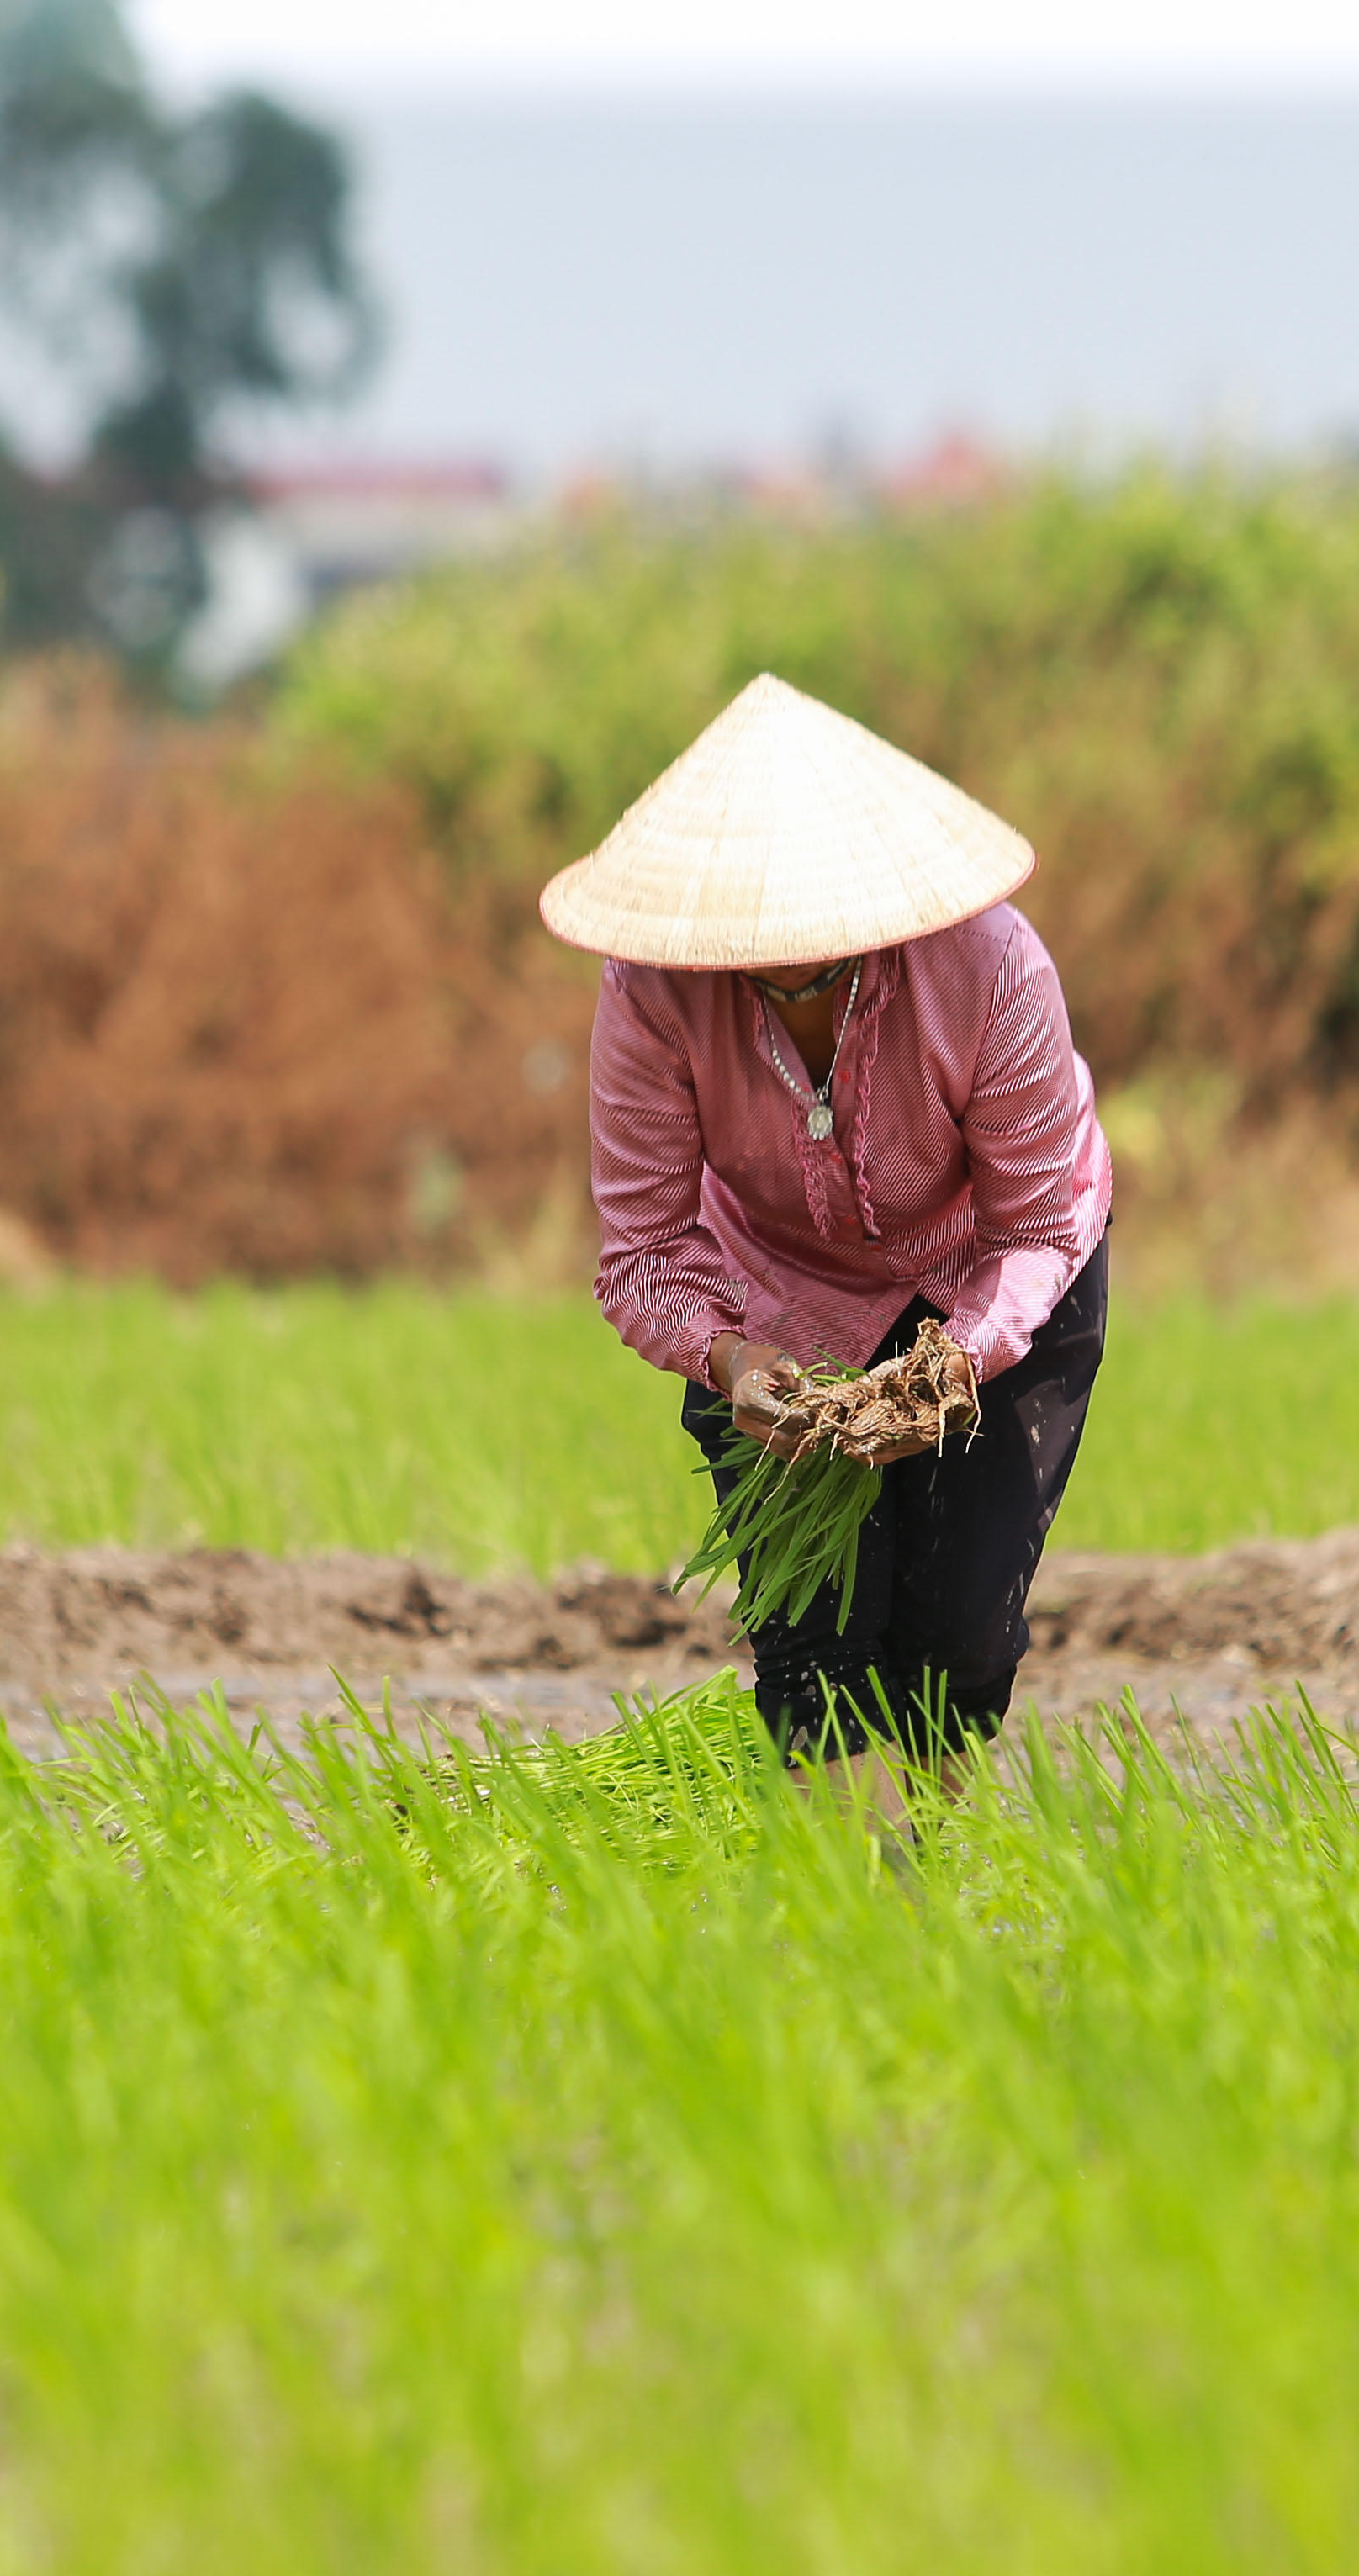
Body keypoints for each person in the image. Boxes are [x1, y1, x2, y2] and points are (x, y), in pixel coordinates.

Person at [547, 674, 1114, 1797]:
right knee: (815, 1642)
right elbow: (645, 1252)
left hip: (992, 1278)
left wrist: (954, 1359)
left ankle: (933, 1882)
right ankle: (844, 1907)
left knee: (955, 1640)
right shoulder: (656, 995)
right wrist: (736, 1367)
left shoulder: (991, 968)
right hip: (774, 1297)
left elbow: (1036, 1227)